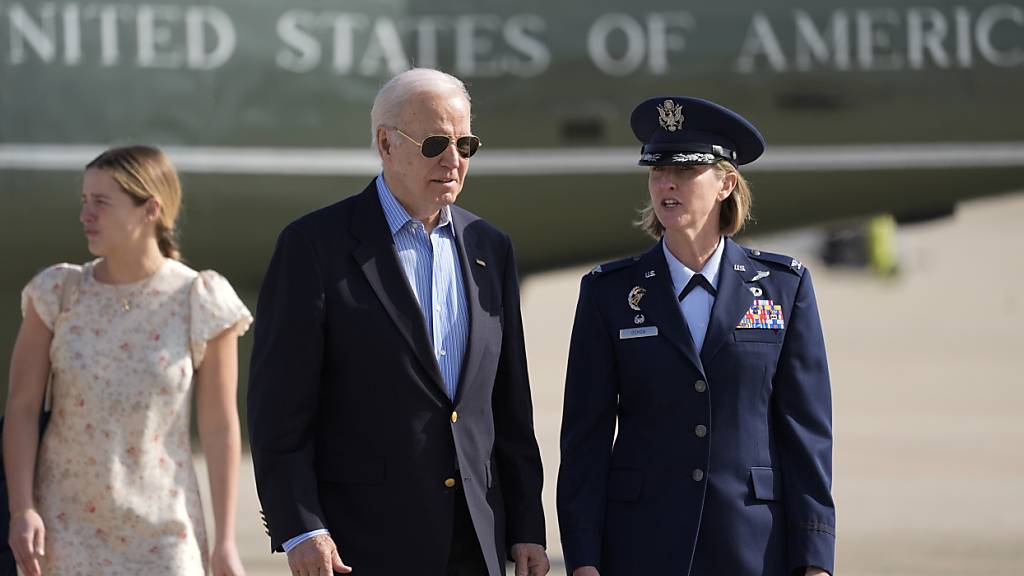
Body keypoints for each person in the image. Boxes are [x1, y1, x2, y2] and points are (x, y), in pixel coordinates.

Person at [247, 68, 549, 576]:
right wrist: (301, 526)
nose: (453, 161)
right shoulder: (314, 247)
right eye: (435, 143)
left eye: (465, 144)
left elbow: (508, 407)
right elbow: (278, 412)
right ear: (386, 144)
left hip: (476, 543)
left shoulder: (489, 247)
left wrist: (526, 527)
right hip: (360, 545)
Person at [557, 97, 836, 576]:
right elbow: (585, 437)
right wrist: (582, 558)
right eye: (657, 171)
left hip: (753, 547)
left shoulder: (784, 288)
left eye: (684, 172)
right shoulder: (609, 292)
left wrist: (815, 559)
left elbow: (806, 436)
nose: (666, 183)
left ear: (726, 183)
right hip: (641, 548)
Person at [3, 145, 252, 576]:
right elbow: (22, 408)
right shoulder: (57, 293)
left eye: (101, 202)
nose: (86, 214)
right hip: (65, 526)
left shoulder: (200, 299)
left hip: (165, 529)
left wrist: (225, 541)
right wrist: (22, 509)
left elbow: (219, 426)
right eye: (84, 201)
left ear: (150, 209)